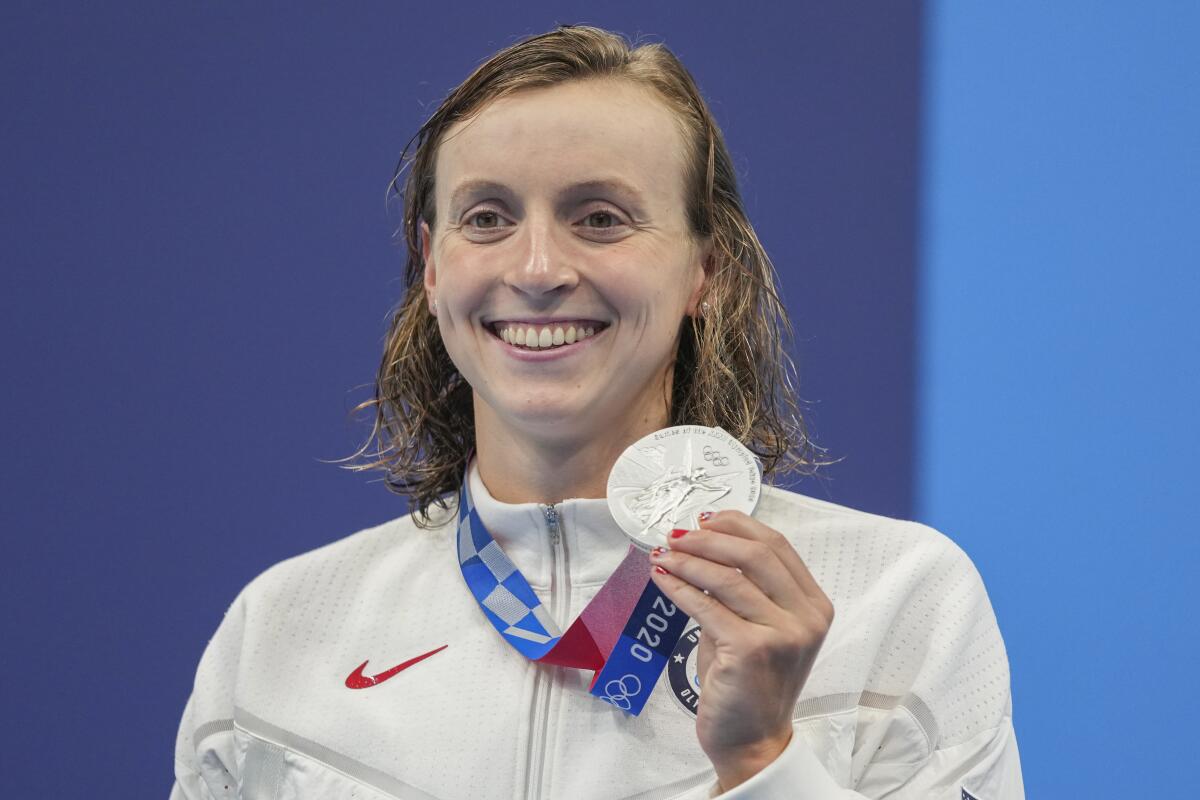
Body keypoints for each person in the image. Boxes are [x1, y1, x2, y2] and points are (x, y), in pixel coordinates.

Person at [171, 25, 1023, 799]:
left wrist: (765, 762)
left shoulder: (897, 601)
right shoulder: (281, 631)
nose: (538, 267)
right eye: (487, 217)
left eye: (601, 218)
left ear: (706, 271)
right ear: (432, 267)